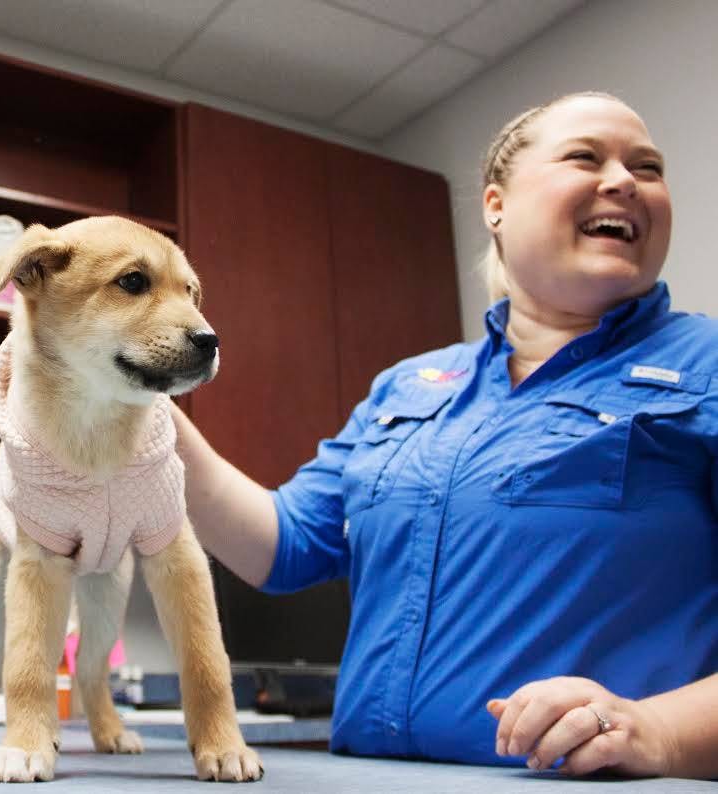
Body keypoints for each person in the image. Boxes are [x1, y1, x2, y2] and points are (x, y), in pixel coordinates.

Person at [172, 91, 717, 780]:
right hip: (362, 776)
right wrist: (142, 413)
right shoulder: (408, 385)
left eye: (647, 168)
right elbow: (283, 547)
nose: (621, 181)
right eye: (585, 157)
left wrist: (657, 732)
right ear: (495, 205)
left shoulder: (706, 366)